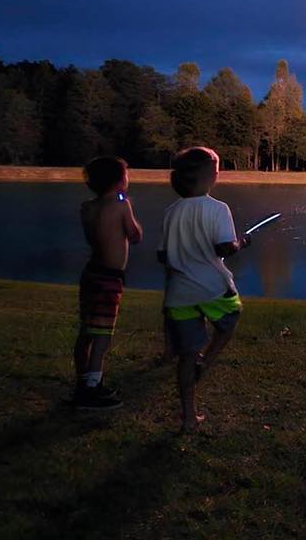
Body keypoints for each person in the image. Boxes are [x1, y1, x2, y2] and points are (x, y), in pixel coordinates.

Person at [157, 146, 248, 433]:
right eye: (216, 168)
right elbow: (225, 248)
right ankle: (205, 362)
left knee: (186, 354)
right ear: (209, 176)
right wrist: (240, 243)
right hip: (212, 288)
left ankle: (187, 417)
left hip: (179, 293)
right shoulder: (218, 209)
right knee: (231, 316)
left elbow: (162, 255)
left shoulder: (171, 212)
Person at [72, 156, 142, 410]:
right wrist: (127, 206)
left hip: (91, 274)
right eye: (127, 174)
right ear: (119, 181)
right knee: (103, 335)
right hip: (110, 278)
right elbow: (135, 236)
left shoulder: (86, 207)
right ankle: (93, 388)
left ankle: (82, 381)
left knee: (87, 330)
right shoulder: (121, 205)